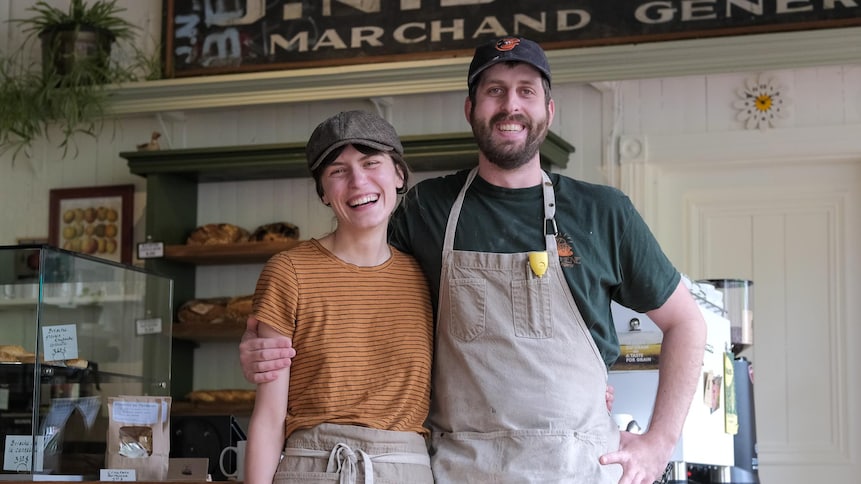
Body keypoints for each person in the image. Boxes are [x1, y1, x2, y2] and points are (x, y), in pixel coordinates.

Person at [240, 37, 707, 484]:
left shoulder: (603, 212)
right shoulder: (426, 209)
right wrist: (268, 348)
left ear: (549, 110)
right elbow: (360, 292)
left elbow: (687, 322)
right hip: (459, 468)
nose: (510, 106)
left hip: (577, 467)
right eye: (494, 92)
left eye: (526, 91)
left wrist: (659, 441)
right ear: (471, 109)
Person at [244, 110, 435, 484]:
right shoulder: (289, 271)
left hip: (406, 470)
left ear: (398, 174)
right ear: (323, 192)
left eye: (371, 163)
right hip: (312, 468)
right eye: (337, 171)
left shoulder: (426, 276)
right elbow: (268, 417)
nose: (358, 181)